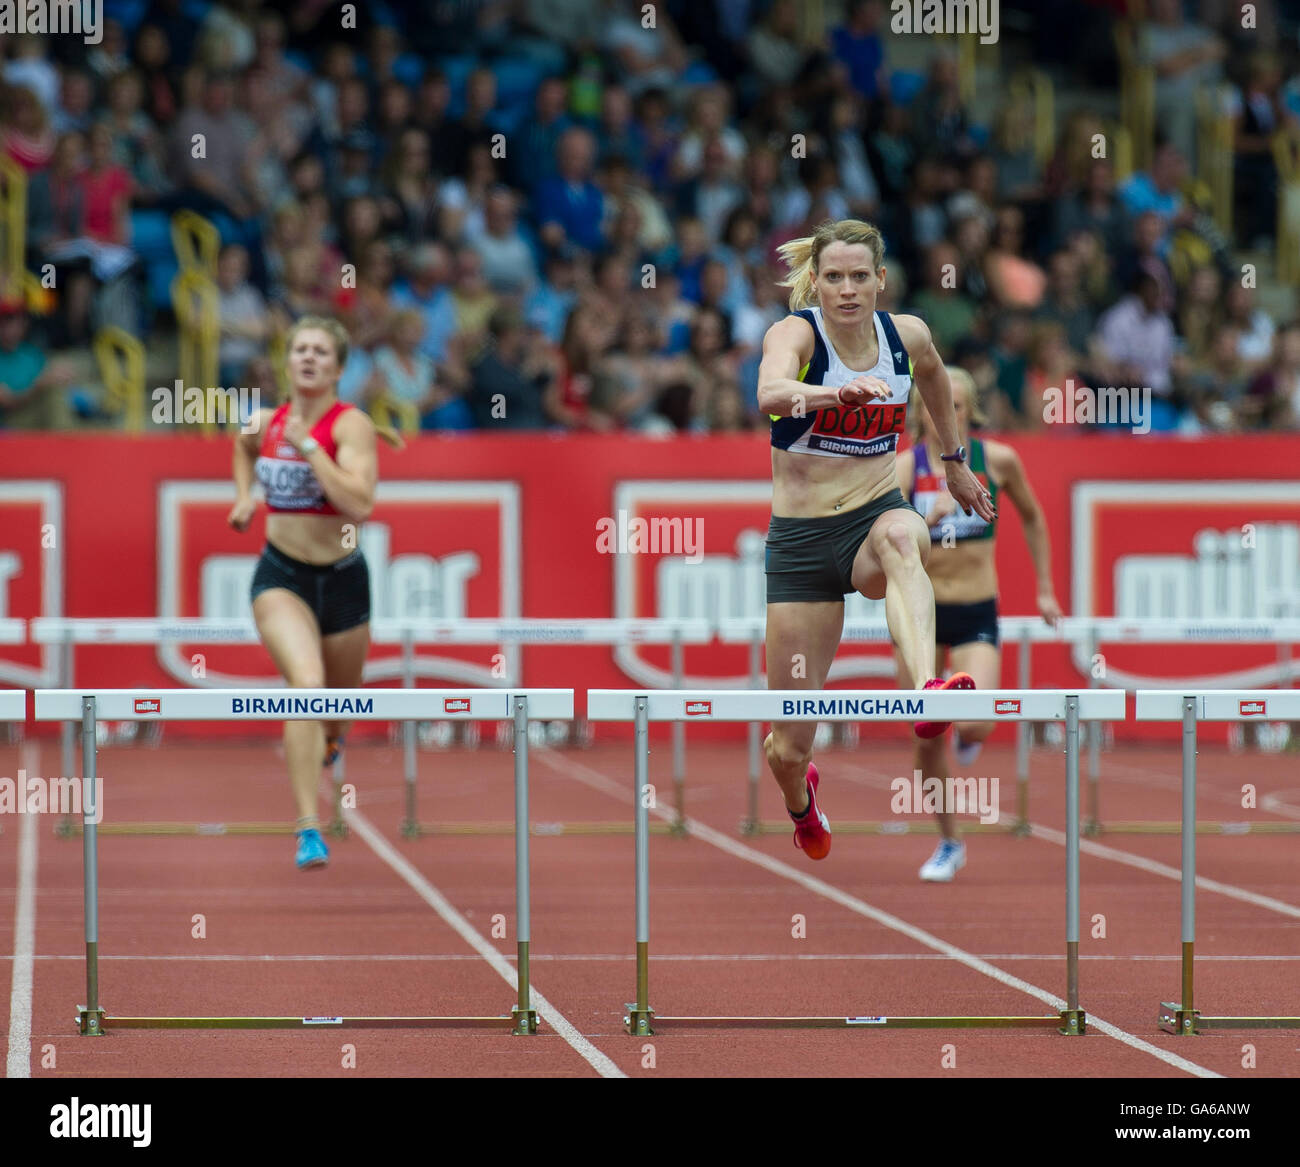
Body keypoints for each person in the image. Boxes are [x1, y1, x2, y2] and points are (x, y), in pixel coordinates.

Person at [758, 218, 995, 861]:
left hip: (869, 520)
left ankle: (924, 692)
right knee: (788, 745)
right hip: (803, 547)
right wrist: (834, 394)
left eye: (859, 277)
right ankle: (801, 799)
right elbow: (769, 393)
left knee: (903, 536)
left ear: (880, 281)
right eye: (833, 277)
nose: (847, 290)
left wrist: (954, 460)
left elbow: (938, 377)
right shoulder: (796, 333)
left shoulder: (906, 335)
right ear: (817, 282)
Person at [895, 368, 1062, 881]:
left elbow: (1033, 517)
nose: (948, 413)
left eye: (960, 405)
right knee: (925, 739)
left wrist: (1045, 588)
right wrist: (931, 517)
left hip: (975, 611)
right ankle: (949, 842)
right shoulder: (906, 468)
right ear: (922, 411)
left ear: (972, 411)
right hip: (919, 615)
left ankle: (966, 728)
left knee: (974, 721)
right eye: (937, 404)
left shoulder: (997, 461)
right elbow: (887, 546)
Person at [227, 316, 382, 870]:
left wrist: (310, 449)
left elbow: (360, 505)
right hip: (281, 576)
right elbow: (242, 445)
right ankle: (307, 828)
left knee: (335, 713)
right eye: (300, 350)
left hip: (343, 580)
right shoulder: (265, 421)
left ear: (339, 368)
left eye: (320, 351)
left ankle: (332, 739)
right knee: (306, 688)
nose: (309, 358)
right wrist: (246, 498)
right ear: (287, 362)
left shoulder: (351, 426)